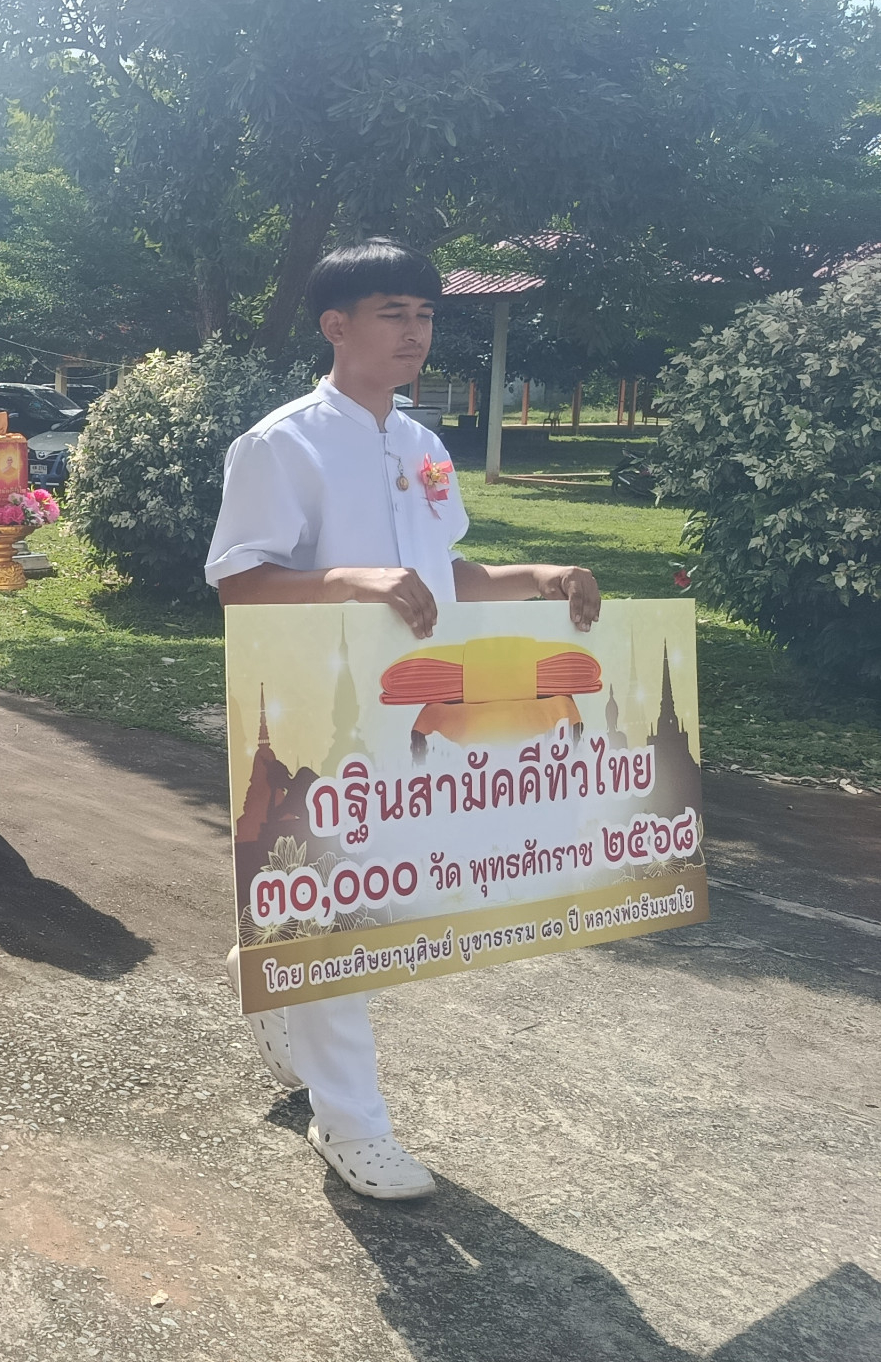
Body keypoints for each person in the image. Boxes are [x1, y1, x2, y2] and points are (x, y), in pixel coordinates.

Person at [206, 237, 603, 1201]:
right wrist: (346, 579)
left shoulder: (421, 445)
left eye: (424, 314)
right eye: (393, 313)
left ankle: (267, 962)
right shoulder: (280, 443)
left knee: (392, 900)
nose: (415, 331)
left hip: (418, 716)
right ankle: (351, 1126)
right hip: (320, 717)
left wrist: (532, 579)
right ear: (336, 325)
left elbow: (440, 575)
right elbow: (238, 582)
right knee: (344, 913)